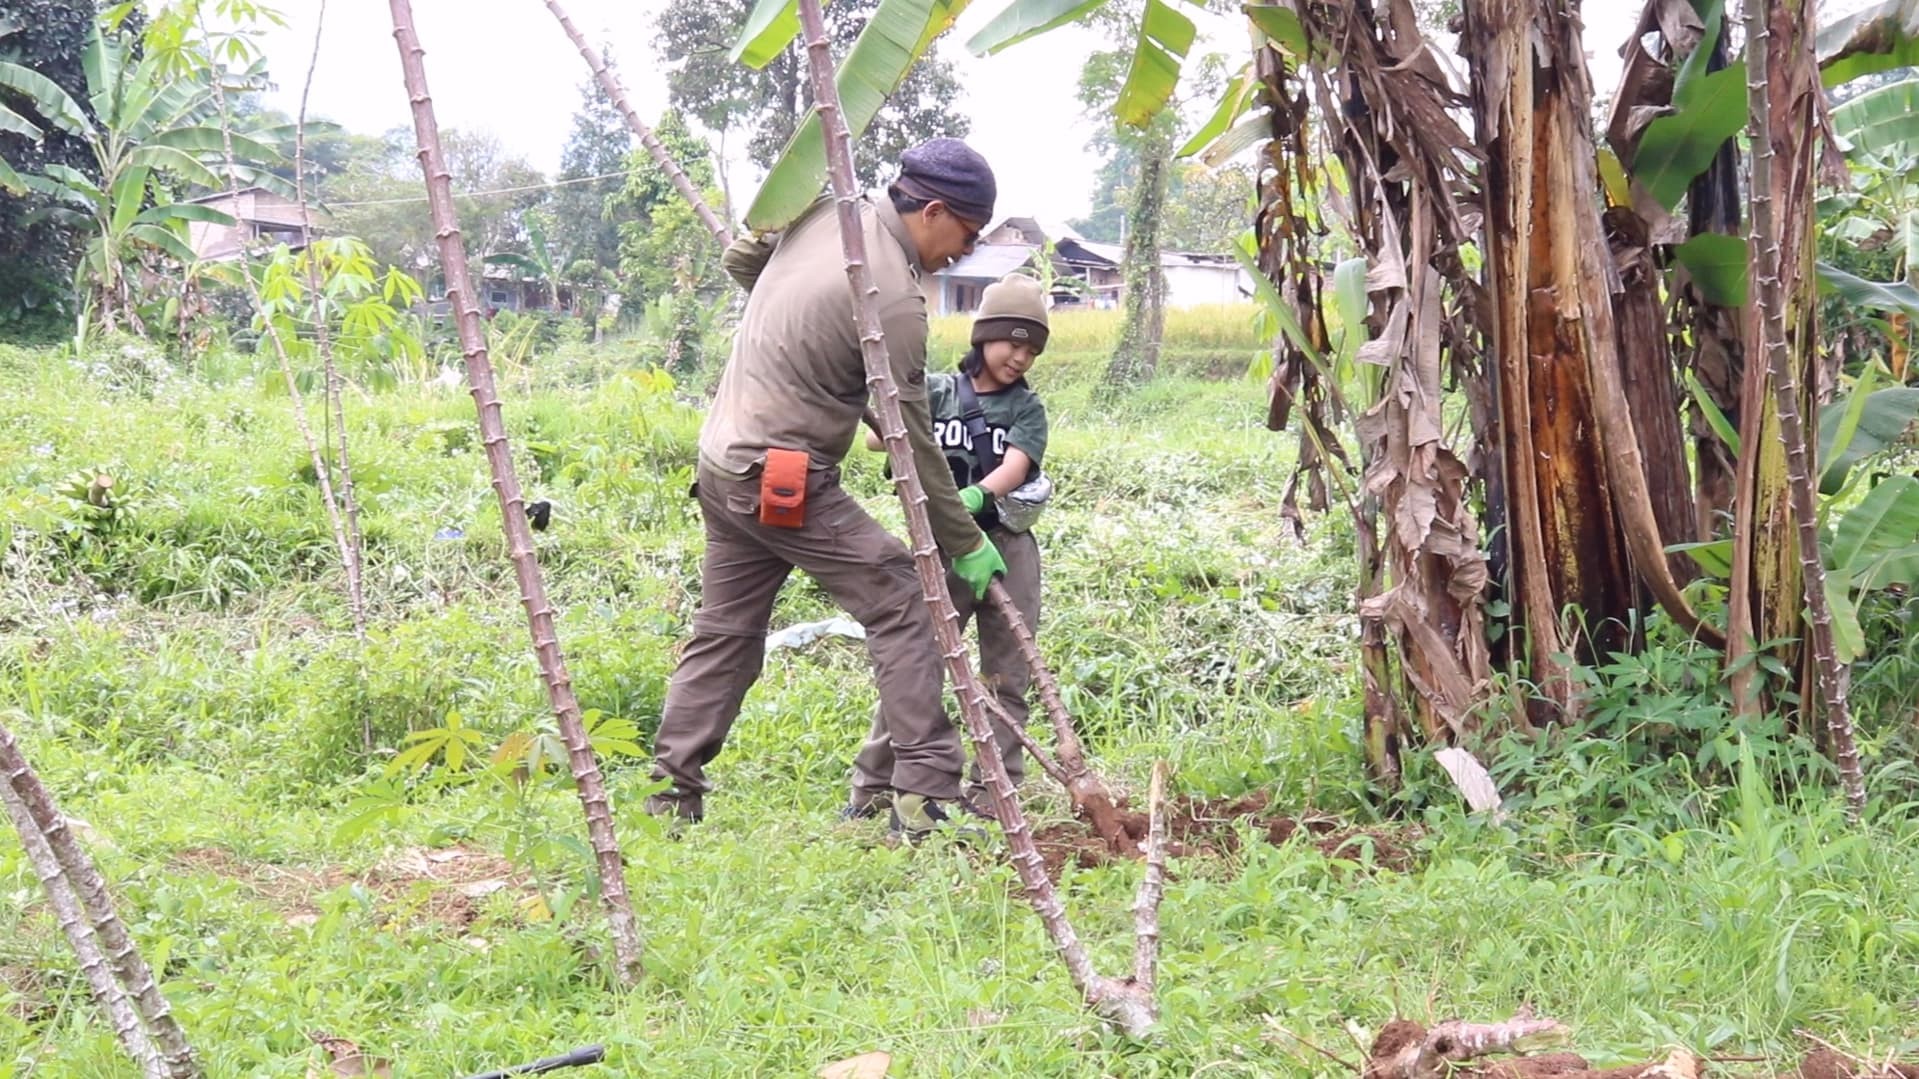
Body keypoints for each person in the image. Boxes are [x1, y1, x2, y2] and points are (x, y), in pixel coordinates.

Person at [646, 137, 1007, 841]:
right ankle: (924, 797)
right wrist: (963, 542)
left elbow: (743, 260)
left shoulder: (828, 214)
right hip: (779, 478)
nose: (963, 254)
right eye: (966, 236)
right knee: (904, 598)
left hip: (721, 461)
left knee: (724, 633)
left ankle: (670, 797)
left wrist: (813, 335)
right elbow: (913, 440)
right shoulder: (892, 297)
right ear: (933, 211)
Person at [845, 273, 1051, 817]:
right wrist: (895, 406)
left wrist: (978, 497)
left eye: (1032, 350)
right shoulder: (936, 391)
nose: (1021, 357)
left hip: (1006, 549)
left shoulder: (1026, 409)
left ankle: (994, 793)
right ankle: (874, 787)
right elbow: (876, 439)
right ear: (984, 337)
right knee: (915, 670)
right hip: (938, 553)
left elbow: (1016, 465)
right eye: (1012, 343)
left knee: (1007, 676)